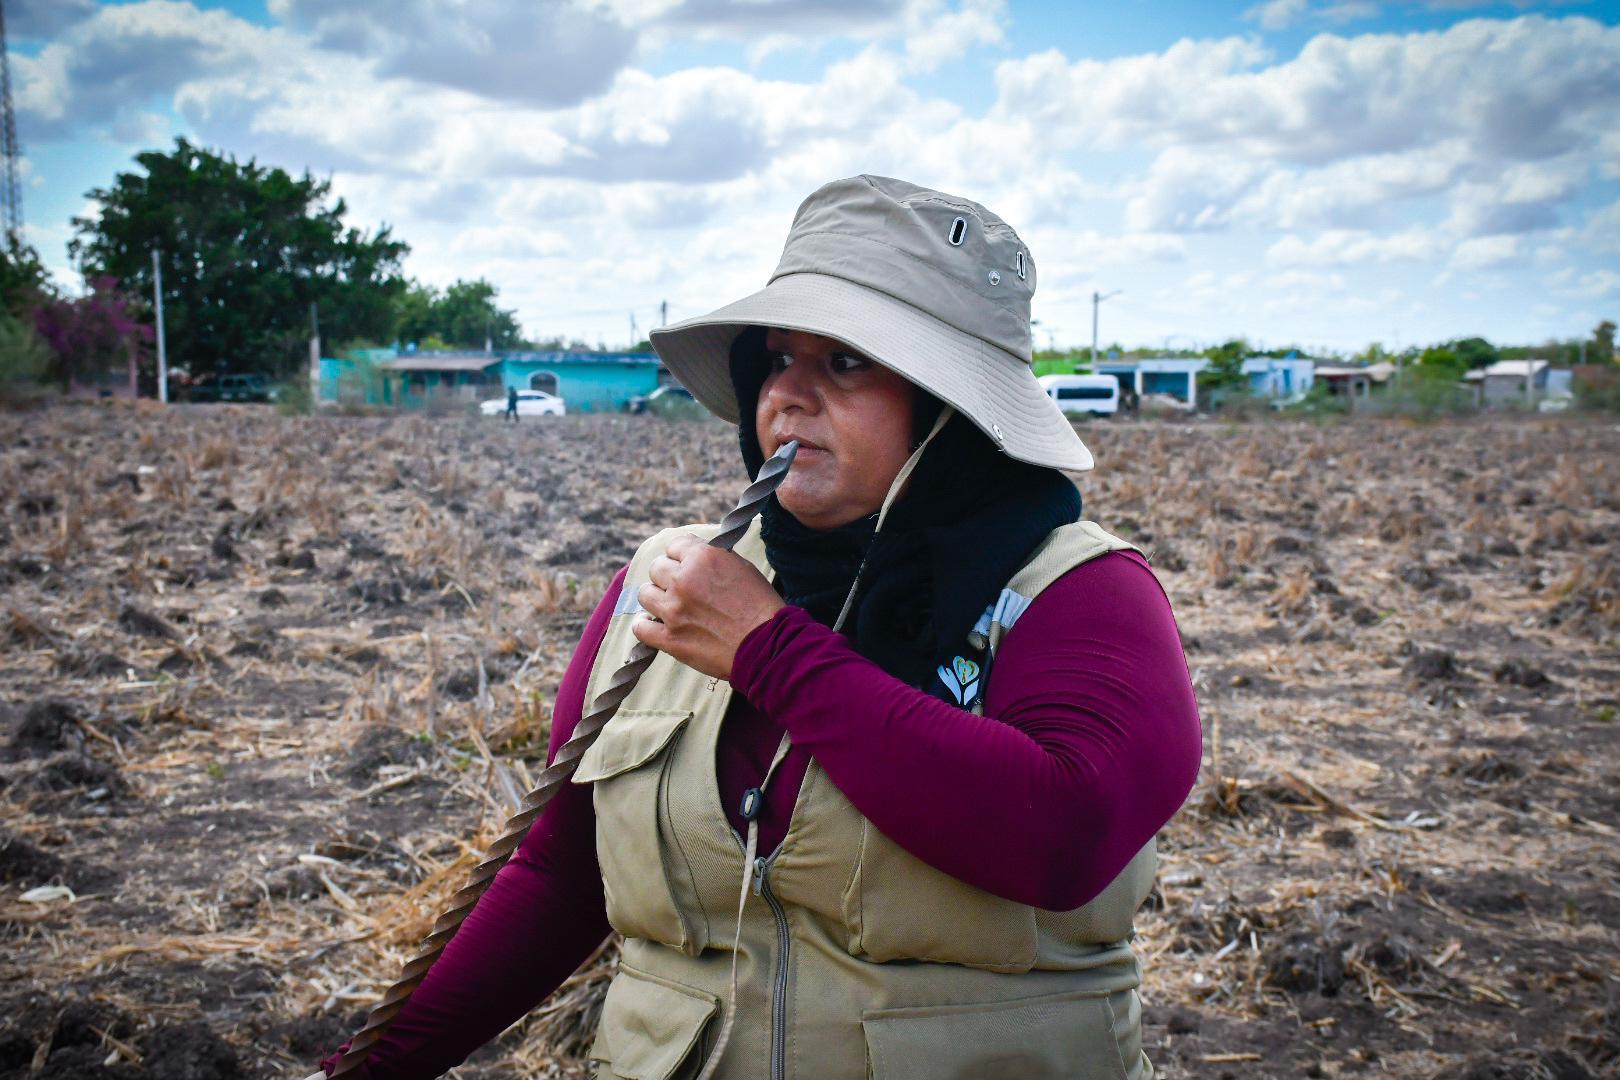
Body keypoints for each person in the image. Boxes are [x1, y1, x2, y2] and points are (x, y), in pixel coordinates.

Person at [319, 176, 1201, 1079]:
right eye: (777, 359)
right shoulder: (666, 582)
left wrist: (770, 650)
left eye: (847, 363)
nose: (788, 395)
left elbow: (1065, 833)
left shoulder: (1075, 593)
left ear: (954, 410)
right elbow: (561, 872)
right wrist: (370, 1067)